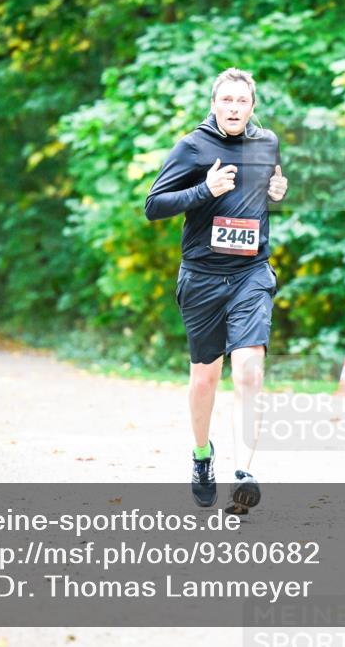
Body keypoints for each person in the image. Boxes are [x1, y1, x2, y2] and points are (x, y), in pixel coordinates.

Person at [145, 68, 288, 512]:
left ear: (252, 106)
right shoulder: (193, 146)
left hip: (251, 273)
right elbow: (154, 205)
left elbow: (263, 193)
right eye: (226, 100)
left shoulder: (267, 143)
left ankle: (243, 474)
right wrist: (204, 190)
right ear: (213, 104)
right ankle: (202, 456)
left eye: (242, 101)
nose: (234, 108)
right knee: (205, 377)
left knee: (248, 370)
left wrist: (278, 191)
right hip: (203, 277)